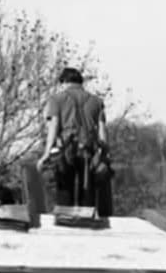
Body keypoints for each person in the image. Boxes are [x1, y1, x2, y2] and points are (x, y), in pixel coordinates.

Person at [37, 67, 113, 213]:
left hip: (65, 151)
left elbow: (54, 126)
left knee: (65, 188)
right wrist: (105, 154)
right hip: (89, 152)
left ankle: (65, 220)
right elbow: (102, 130)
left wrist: (47, 153)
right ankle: (87, 221)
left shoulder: (57, 99)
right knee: (88, 188)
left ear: (64, 82)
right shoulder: (97, 101)